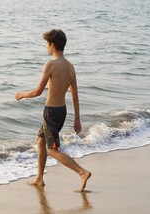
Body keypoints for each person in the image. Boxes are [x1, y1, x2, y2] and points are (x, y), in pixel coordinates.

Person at [15, 29, 91, 192]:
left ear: (52, 45)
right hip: (62, 111)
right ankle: (39, 178)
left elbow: (37, 91)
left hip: (51, 112)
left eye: (46, 44)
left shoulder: (50, 64)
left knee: (53, 149)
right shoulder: (70, 67)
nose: (46, 48)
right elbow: (75, 96)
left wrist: (22, 95)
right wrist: (77, 119)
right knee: (40, 140)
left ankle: (82, 172)